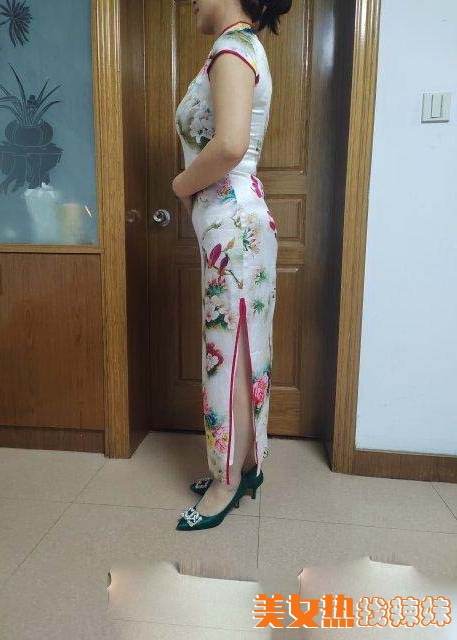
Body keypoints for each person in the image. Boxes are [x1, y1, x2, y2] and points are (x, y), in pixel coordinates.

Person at [172, 0, 291, 531]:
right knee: (241, 349)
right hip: (235, 228)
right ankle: (242, 465)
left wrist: (180, 186)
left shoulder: (231, 50)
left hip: (235, 229)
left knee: (231, 353)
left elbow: (229, 146)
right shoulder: (237, 48)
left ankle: (226, 481)